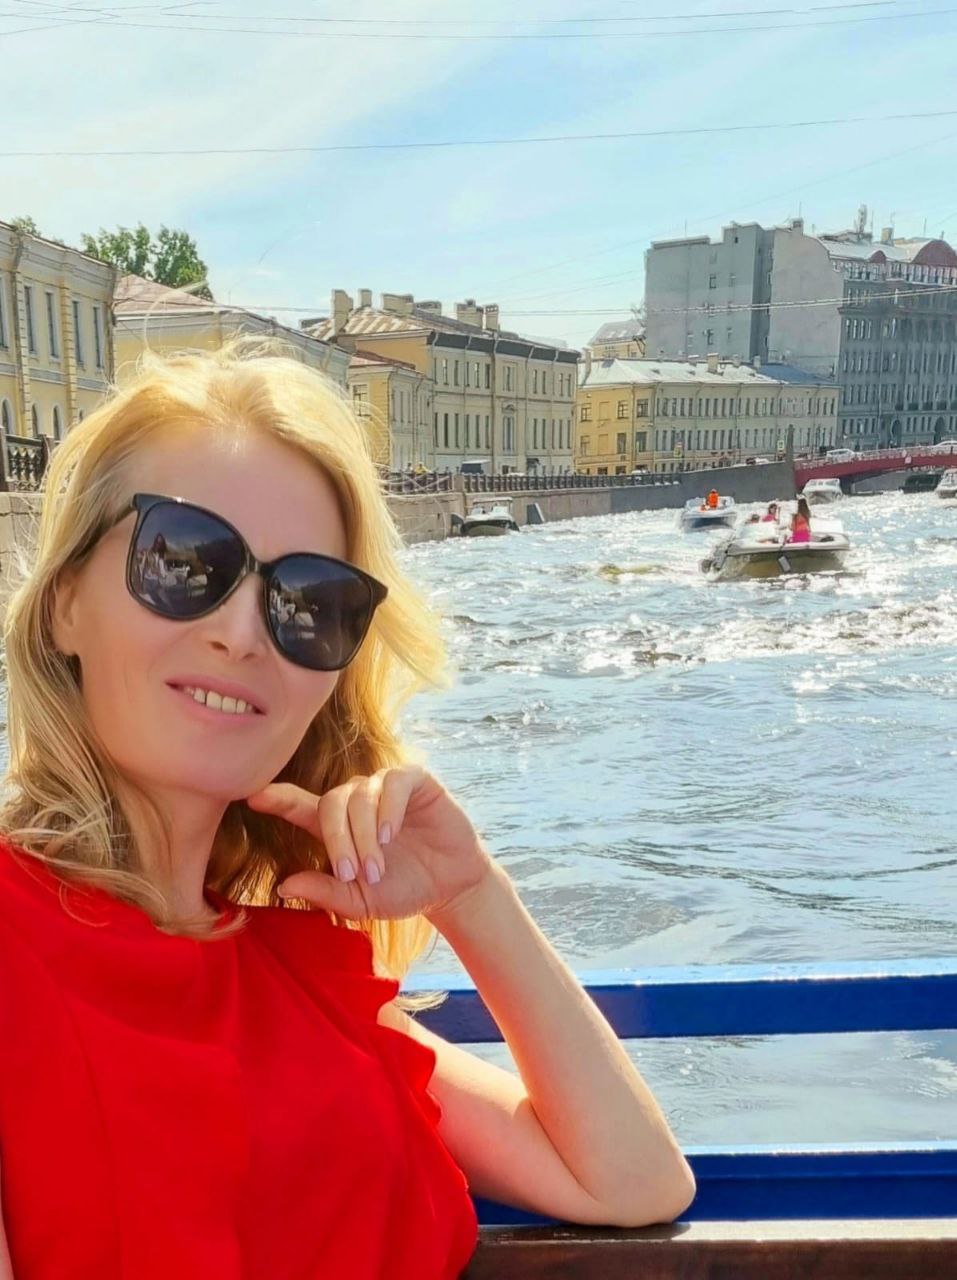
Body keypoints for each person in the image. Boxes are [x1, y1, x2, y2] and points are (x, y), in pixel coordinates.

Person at [0, 342, 694, 1280]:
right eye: (184, 560)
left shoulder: (304, 977)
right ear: (63, 604)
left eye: (307, 602)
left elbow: (631, 1183)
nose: (242, 633)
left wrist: (470, 893)